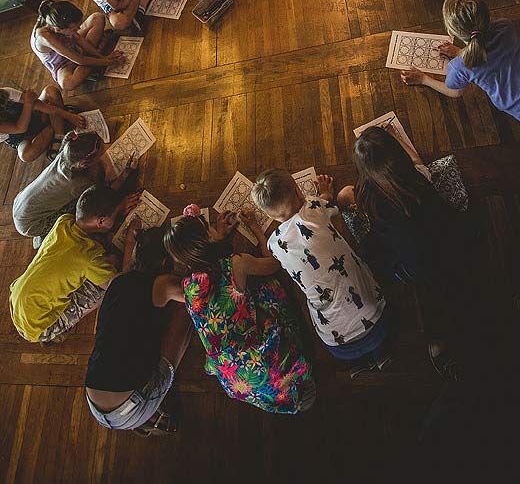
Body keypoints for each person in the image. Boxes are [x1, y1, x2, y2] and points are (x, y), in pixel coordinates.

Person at [336, 125, 473, 380]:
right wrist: (396, 137)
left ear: (365, 173)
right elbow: (417, 161)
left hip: (415, 265)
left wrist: (342, 196)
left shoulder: (372, 201)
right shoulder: (418, 178)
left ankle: (438, 338)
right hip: (448, 239)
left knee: (371, 257)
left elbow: (348, 200)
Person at [163, 209, 315, 414]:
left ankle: (287, 395)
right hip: (264, 363)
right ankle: (296, 385)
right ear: (207, 237)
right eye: (210, 227)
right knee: (269, 286)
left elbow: (217, 289)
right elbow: (274, 264)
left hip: (232, 379)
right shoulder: (236, 263)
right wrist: (255, 228)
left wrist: (218, 238)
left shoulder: (189, 285)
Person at [251, 170, 391, 368]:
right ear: (300, 193)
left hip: (336, 345)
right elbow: (328, 203)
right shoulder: (314, 209)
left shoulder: (274, 243)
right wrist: (324, 192)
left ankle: (358, 366)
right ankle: (381, 355)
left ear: (268, 214)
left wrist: (256, 228)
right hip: (376, 321)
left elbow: (269, 252)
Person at [85, 225, 193, 435]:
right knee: (185, 310)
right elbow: (195, 293)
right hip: (132, 404)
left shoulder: (117, 282)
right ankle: (149, 414)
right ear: (164, 263)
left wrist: (129, 243)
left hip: (95, 404)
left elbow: (128, 268)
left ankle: (141, 415)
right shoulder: (161, 284)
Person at [401, 0, 520, 124]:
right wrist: (460, 52)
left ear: (451, 31)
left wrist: (423, 79)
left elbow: (454, 93)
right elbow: (485, 50)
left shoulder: (459, 67)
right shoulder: (505, 26)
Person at [10, 185, 139, 344]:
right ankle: (57, 330)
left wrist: (118, 208)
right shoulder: (87, 257)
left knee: (103, 263)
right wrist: (130, 241)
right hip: (36, 326)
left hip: (18, 298)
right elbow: (119, 285)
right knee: (104, 289)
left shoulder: (63, 221)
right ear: (101, 221)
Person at [12, 129, 135, 243]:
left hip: (21, 203)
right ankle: (45, 237)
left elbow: (70, 134)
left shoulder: (68, 150)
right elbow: (102, 196)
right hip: (31, 224)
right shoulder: (77, 183)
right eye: (99, 157)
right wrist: (124, 176)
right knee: (76, 214)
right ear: (85, 165)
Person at [30, 0, 125, 91]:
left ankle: (93, 61)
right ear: (58, 29)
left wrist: (103, 57)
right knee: (68, 83)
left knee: (97, 17)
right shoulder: (45, 37)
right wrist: (110, 62)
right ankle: (95, 57)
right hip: (63, 63)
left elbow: (79, 39)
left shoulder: (57, 14)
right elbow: (80, 60)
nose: (79, 28)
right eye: (74, 29)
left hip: (73, 48)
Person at [0, 84, 84, 162]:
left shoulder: (5, 93)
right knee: (26, 155)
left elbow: (42, 107)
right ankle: (57, 123)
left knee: (51, 91)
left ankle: (59, 136)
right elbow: (20, 128)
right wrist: (28, 103)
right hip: (21, 136)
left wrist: (70, 116)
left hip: (35, 115)